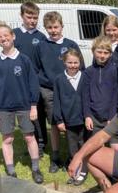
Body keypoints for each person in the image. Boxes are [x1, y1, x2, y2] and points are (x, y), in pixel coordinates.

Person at [0, 22, 43, 184]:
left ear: (13, 36)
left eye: (6, 35)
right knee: (7, 139)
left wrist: (33, 105)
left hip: (25, 106)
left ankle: (35, 168)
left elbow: (33, 84)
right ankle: (11, 172)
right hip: (4, 108)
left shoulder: (24, 60)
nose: (3, 38)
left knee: (29, 137)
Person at [33, 11, 84, 173]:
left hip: (69, 88)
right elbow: (36, 68)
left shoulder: (70, 44)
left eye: (56, 27)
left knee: (71, 121)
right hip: (49, 90)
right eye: (49, 27)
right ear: (45, 28)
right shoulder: (41, 45)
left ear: (62, 26)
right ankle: (55, 157)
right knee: (55, 123)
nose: (53, 30)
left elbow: (80, 67)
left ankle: (74, 154)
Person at [12, 2, 47, 157]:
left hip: (36, 83)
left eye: (35, 18)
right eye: (29, 17)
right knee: (24, 114)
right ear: (22, 16)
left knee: (38, 113)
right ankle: (30, 141)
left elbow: (44, 60)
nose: (32, 20)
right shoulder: (14, 35)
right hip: (20, 83)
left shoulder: (41, 37)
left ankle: (41, 143)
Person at [52, 49, 88, 186]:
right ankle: (75, 171)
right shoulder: (59, 80)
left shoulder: (85, 77)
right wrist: (59, 120)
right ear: (64, 62)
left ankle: (84, 170)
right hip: (69, 120)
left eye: (75, 62)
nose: (73, 65)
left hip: (84, 120)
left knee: (84, 145)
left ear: (80, 62)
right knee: (73, 147)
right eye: (69, 62)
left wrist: (88, 116)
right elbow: (57, 101)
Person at [81, 36, 118, 136]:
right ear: (93, 51)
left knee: (113, 147)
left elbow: (115, 95)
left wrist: (111, 116)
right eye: (99, 52)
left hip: (110, 116)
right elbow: (85, 95)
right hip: (93, 117)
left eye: (106, 53)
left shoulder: (114, 71)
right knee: (96, 147)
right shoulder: (88, 72)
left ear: (111, 54)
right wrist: (87, 116)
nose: (102, 55)